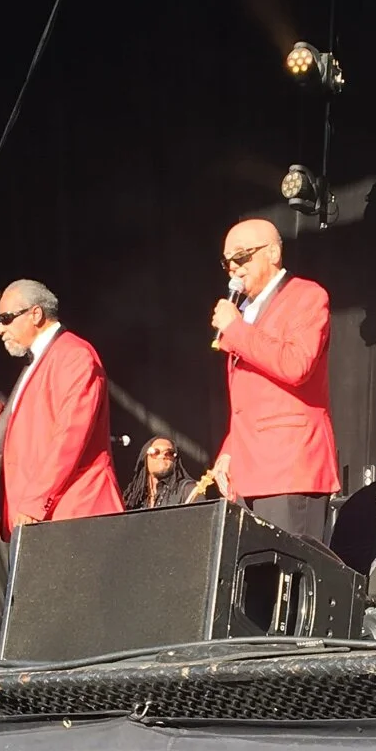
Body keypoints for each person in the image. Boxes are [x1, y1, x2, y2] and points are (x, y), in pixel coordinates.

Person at [204, 217, 340, 542]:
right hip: (249, 471)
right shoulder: (246, 312)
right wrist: (229, 451)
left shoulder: (306, 296)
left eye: (242, 256)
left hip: (289, 468)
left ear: (273, 252)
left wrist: (236, 330)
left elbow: (296, 365)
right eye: (227, 261)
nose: (234, 268)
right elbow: (248, 404)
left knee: (289, 585)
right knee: (255, 586)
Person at [0, 279, 124, 541]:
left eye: (5, 319)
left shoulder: (75, 356)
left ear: (36, 314)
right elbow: (39, 433)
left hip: (75, 515)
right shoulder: (42, 359)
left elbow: (68, 439)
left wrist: (34, 503)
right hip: (47, 518)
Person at [127, 435, 198, 510]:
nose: (162, 456)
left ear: (175, 460)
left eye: (169, 453)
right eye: (155, 452)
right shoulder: (134, 498)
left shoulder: (190, 490)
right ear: (145, 457)